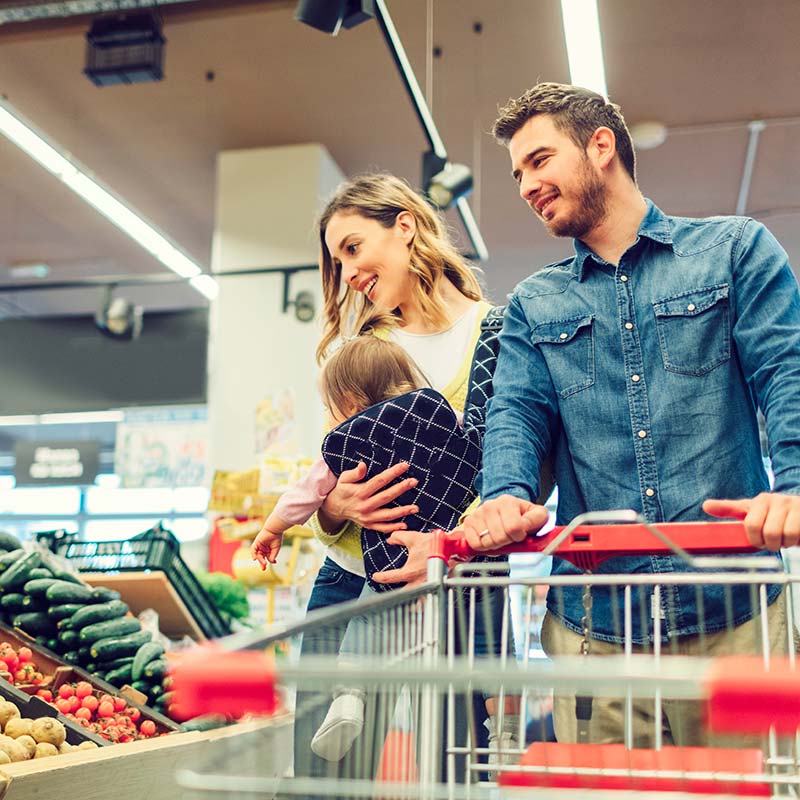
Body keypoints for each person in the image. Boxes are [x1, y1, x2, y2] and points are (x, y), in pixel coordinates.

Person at [453, 82, 800, 746]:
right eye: (518, 173)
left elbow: (786, 374)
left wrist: (795, 487)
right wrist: (503, 496)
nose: (526, 185)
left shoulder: (734, 252)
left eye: (539, 160)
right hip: (597, 631)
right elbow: (516, 414)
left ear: (601, 146)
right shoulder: (533, 303)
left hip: (736, 618)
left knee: (753, 789)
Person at [282, 173, 517, 783]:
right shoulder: (359, 350)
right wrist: (339, 507)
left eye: (353, 248)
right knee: (326, 778)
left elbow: (516, 466)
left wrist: (452, 542)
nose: (348, 273)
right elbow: (327, 479)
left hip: (462, 581)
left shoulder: (499, 333)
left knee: (459, 774)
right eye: (338, 262)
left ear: (405, 227)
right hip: (355, 578)